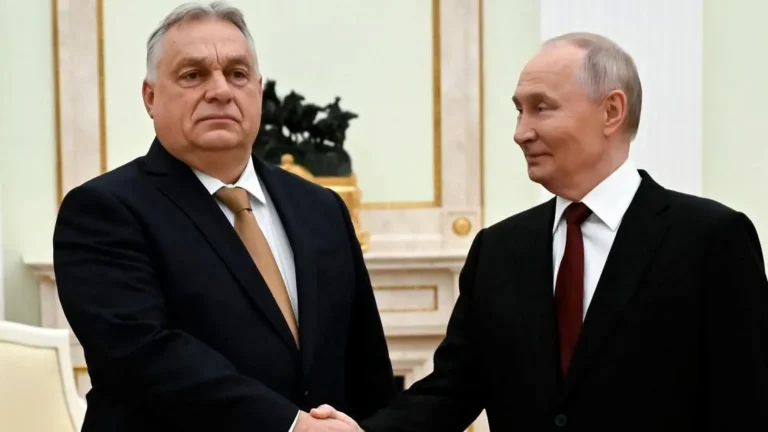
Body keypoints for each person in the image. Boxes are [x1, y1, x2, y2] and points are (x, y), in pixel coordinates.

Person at [312, 32, 768, 431]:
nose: (520, 132)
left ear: (611, 111)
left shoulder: (711, 240)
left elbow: (745, 405)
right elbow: (452, 390)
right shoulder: (498, 250)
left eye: (541, 109)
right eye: (519, 111)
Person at [52, 2, 396, 431]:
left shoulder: (321, 207)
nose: (220, 90)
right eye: (193, 75)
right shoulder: (103, 211)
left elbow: (366, 365)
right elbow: (143, 357)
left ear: (258, 90)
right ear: (150, 97)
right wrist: (294, 426)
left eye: (237, 73)